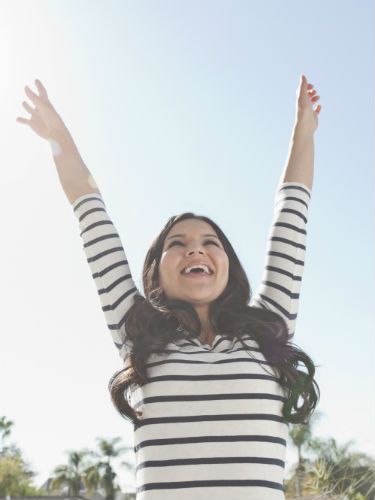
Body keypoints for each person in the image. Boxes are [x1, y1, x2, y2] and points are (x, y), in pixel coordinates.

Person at [17, 75, 322, 499]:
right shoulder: (137, 331)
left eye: (209, 243)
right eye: (177, 244)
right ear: (155, 273)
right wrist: (59, 136)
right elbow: (91, 215)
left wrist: (303, 132)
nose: (194, 250)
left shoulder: (268, 326)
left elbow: (293, 213)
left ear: (228, 266)